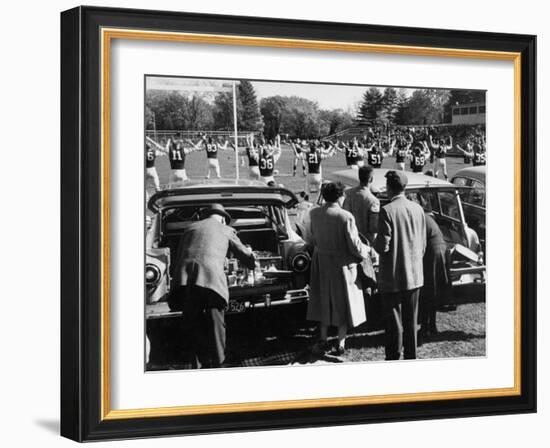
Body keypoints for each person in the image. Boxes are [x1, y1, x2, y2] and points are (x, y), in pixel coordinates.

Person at [169, 204, 256, 368]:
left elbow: (179, 255)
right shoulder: (225, 229)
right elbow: (244, 254)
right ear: (222, 218)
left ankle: (196, 365)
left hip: (185, 280)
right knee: (216, 324)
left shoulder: (190, 228)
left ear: (206, 216)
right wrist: (252, 262)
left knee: (192, 324)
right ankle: (219, 363)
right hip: (211, 280)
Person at [305, 182, 371, 357]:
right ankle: (341, 342)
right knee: (343, 303)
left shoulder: (314, 213)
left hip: (321, 263)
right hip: (341, 264)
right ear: (340, 196)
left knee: (323, 301)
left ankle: (323, 338)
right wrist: (367, 251)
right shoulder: (345, 216)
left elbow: (311, 238)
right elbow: (355, 245)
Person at [374, 170, 426, 360]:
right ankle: (411, 356)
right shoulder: (418, 208)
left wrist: (374, 242)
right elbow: (423, 243)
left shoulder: (387, 210)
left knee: (394, 322)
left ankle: (394, 357)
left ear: (389, 188)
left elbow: (382, 246)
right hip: (414, 274)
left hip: (393, 276)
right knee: (411, 321)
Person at [420, 211, 450, 337]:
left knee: (427, 290)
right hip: (439, 250)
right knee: (432, 290)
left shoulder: (419, 217)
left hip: (433, 252)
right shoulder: (424, 216)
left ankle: (426, 327)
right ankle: (430, 325)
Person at [343, 165, 380, 244]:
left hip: (349, 240)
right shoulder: (373, 201)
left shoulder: (348, 194)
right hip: (366, 242)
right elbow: (374, 228)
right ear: (371, 179)